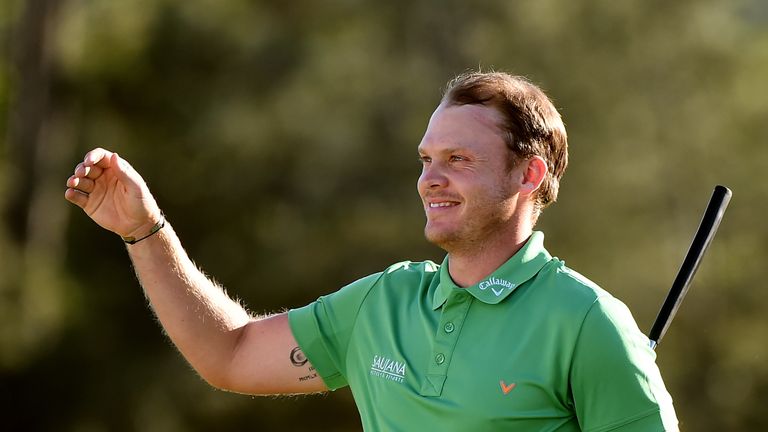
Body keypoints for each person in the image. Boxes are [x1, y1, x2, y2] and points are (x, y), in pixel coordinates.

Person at [65, 71, 679, 431]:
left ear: (527, 176)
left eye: (459, 160)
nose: (429, 179)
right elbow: (229, 355)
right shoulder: (382, 303)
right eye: (427, 160)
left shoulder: (589, 325)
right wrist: (146, 233)